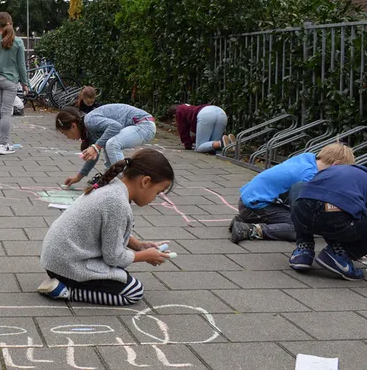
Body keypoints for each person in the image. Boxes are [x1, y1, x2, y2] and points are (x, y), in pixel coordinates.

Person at [38, 148, 175, 305]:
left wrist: (138, 245)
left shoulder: (113, 187)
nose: (154, 198)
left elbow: (108, 231)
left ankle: (67, 282)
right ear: (145, 182)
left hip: (58, 258)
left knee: (119, 274)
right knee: (134, 291)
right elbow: (114, 257)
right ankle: (66, 291)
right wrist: (144, 256)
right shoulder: (118, 203)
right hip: (67, 264)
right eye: (157, 192)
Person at [230, 143, 355, 244]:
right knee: (299, 229)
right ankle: (249, 230)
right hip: (255, 206)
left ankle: (245, 218)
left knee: (297, 217)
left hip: (250, 199)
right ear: (336, 165)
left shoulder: (307, 158)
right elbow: (311, 208)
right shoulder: (309, 176)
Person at [288, 164, 367, 281]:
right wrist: (358, 248)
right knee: (344, 217)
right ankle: (339, 254)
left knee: (298, 187)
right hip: (335, 218)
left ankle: (304, 248)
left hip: (303, 213)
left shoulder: (335, 171)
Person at [55, 104, 157, 189]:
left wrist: (96, 147)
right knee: (109, 147)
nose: (68, 137)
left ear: (74, 126)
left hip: (144, 125)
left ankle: (127, 185)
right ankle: (114, 180)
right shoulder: (88, 130)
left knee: (112, 144)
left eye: (65, 133)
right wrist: (78, 177)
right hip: (139, 126)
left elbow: (115, 126)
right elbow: (93, 157)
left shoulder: (89, 121)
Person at [0, 12, 29, 155]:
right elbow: (21, 65)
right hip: (10, 81)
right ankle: (3, 145)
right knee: (5, 113)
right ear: (11, 23)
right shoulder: (18, 42)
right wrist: (25, 82)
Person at [166, 103, 235, 153]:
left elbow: (183, 130)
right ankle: (229, 142)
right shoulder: (188, 108)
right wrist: (193, 140)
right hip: (220, 112)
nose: (175, 123)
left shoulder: (179, 111)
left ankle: (221, 143)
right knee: (212, 147)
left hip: (206, 114)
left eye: (174, 121)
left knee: (199, 147)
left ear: (174, 115)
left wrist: (187, 145)